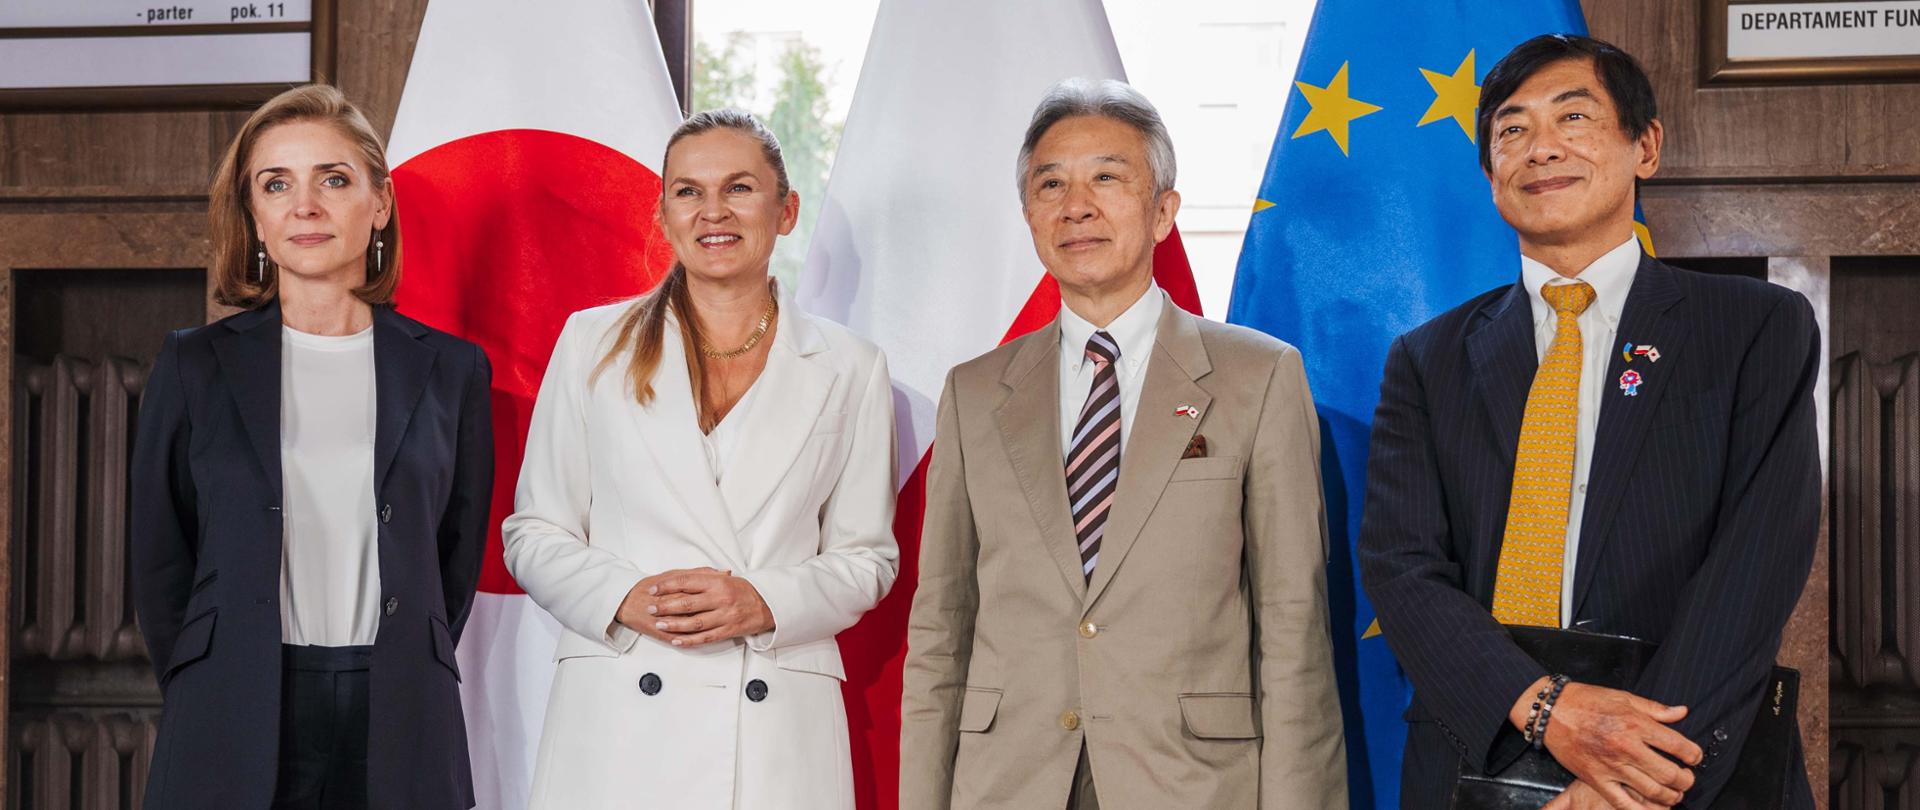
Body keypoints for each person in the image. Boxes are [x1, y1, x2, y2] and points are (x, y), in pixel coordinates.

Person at [1358, 34, 1819, 810]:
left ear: (1646, 147)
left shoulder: (1753, 328)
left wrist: (1629, 777)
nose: (1540, 149)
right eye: (1512, 130)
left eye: (1573, 119)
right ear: (1489, 173)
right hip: (1482, 754)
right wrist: (1551, 709)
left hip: (1689, 766)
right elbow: (1403, 569)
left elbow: (1757, 563)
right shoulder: (1427, 358)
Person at [900, 77, 1348, 810]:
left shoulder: (1258, 376)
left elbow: (1293, 630)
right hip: (1008, 783)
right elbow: (942, 624)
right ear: (1028, 213)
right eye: (1052, 184)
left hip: (1190, 782)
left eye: (1107, 177)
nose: (1076, 206)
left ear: (1163, 210)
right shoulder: (974, 392)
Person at [503, 108, 898, 810]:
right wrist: (625, 597)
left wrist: (764, 601)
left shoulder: (851, 367)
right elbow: (533, 532)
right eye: (688, 191)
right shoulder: (591, 343)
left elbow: (867, 556)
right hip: (620, 714)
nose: (713, 210)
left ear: (786, 210)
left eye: (740, 188)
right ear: (662, 212)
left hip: (776, 726)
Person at [130, 84, 492, 810]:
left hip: (400, 706)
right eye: (276, 184)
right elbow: (160, 560)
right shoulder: (193, 364)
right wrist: (214, 674)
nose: (306, 205)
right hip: (233, 703)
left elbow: (452, 560)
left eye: (333, 179)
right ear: (254, 216)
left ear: (379, 203)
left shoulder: (452, 369)